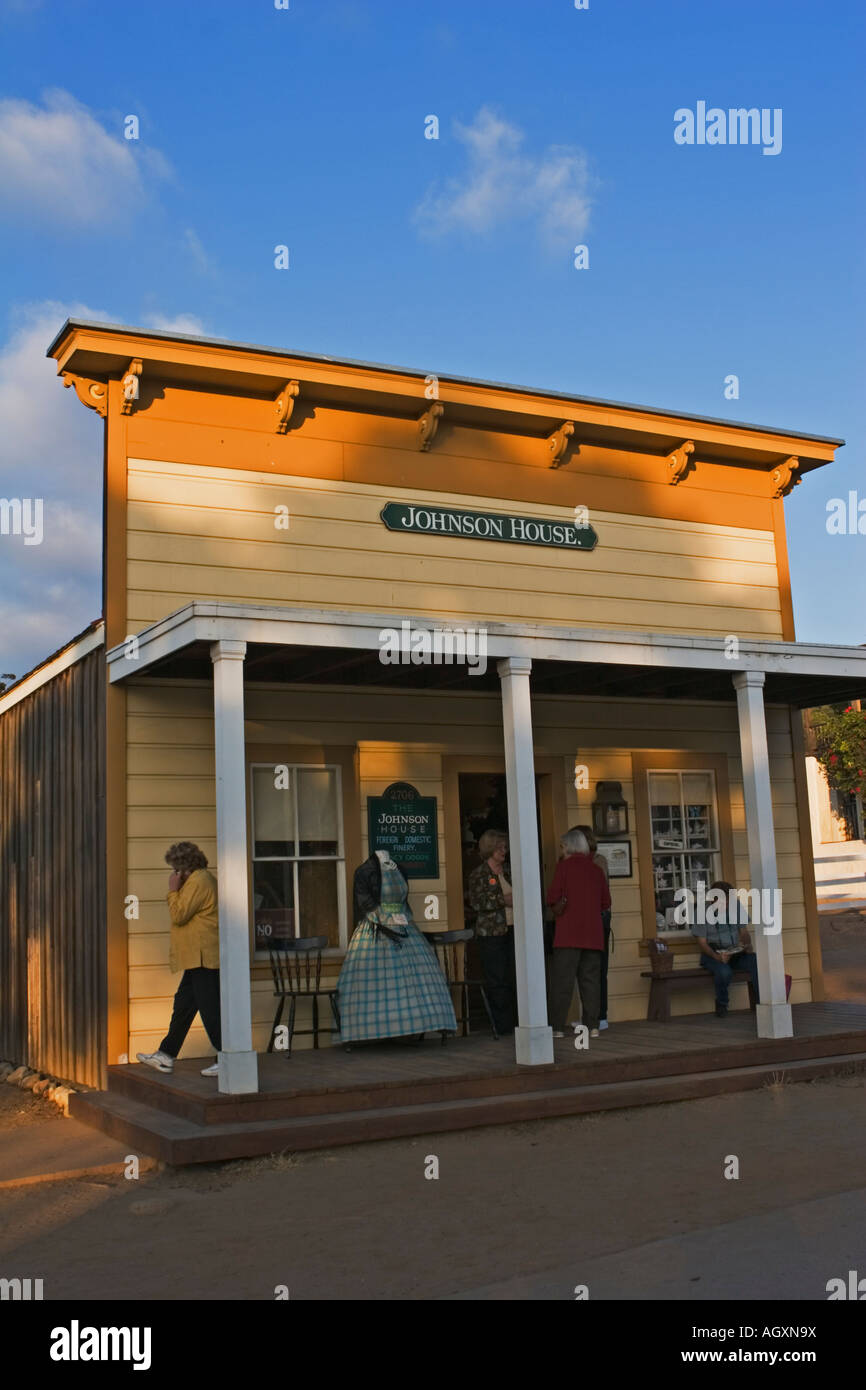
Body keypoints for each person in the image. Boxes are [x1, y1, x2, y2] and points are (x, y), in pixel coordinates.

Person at [337, 849, 457, 1043]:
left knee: (416, 980)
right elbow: (365, 903)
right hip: (376, 927)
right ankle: (372, 1029)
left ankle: (419, 1023)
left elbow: (404, 901)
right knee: (378, 981)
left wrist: (400, 919)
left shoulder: (398, 868)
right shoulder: (364, 871)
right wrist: (385, 920)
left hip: (404, 926)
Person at [137, 842, 222, 1077]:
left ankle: (227, 1055)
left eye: (176, 869)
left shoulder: (199, 881)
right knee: (183, 1005)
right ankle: (166, 1054)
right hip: (196, 956)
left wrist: (173, 889)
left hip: (203, 955)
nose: (175, 874)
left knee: (210, 1008)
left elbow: (179, 915)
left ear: (186, 867)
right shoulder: (197, 881)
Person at [546, 827, 611, 1039]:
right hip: (593, 934)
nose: (562, 849)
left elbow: (552, 897)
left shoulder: (563, 868)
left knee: (563, 983)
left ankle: (556, 1028)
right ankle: (592, 1027)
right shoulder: (596, 870)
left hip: (567, 934)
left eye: (563, 846)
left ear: (570, 846)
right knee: (591, 983)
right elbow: (606, 902)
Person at [466, 830, 517, 1034]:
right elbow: (476, 902)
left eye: (505, 847)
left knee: (514, 976)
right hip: (491, 934)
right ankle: (503, 1026)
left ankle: (518, 1022)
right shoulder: (479, 874)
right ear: (489, 849)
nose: (504, 851)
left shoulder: (510, 872)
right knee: (497, 979)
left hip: (514, 931)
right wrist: (503, 900)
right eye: (499, 847)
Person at [694, 879, 760, 1017]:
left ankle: (761, 1002)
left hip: (735, 951)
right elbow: (702, 942)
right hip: (713, 953)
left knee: (756, 961)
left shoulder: (735, 907)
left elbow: (744, 932)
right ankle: (722, 1003)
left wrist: (747, 945)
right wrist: (717, 956)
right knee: (724, 972)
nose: (727, 904)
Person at [576, 824, 612, 1030]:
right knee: (584, 970)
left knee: (597, 968)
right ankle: (590, 1016)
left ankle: (600, 1015)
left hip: (597, 919)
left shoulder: (598, 862)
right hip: (586, 920)